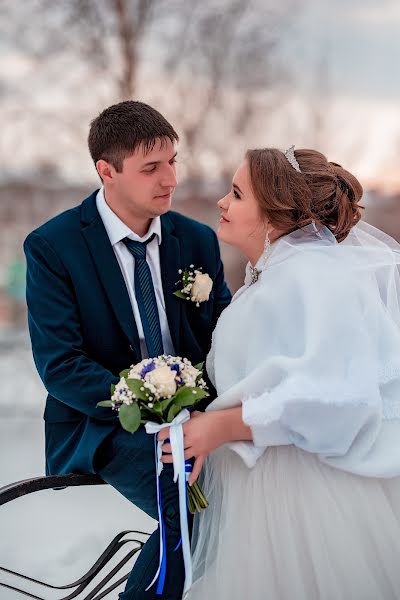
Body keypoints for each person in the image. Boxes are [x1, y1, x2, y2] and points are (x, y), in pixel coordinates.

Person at [159, 146, 400, 599]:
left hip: (305, 510)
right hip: (267, 498)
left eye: (236, 194)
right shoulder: (277, 274)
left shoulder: (311, 276)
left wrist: (224, 425)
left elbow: (343, 399)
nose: (221, 203)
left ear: (273, 213)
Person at [23, 100, 231, 600]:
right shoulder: (53, 247)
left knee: (247, 493)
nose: (171, 179)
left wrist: (205, 415)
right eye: (151, 168)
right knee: (192, 507)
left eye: (173, 162)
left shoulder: (197, 241)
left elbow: (223, 336)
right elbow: (61, 365)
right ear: (106, 171)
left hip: (198, 416)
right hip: (101, 423)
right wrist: (152, 405)